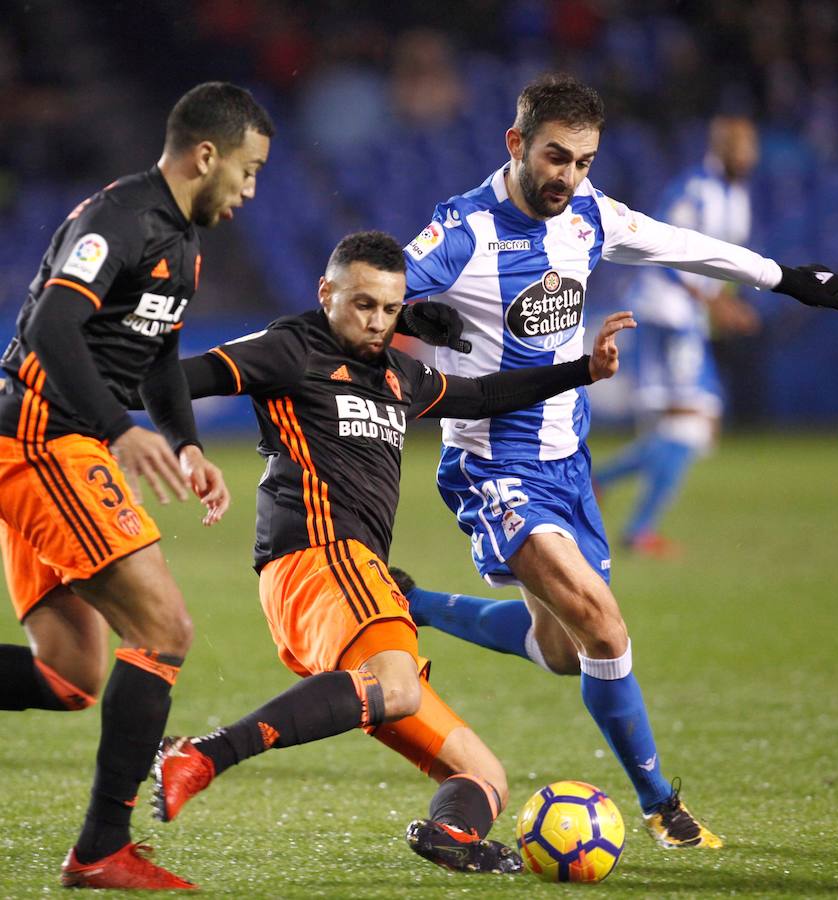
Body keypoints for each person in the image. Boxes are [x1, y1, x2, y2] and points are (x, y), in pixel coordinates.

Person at [398, 73, 838, 849]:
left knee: (562, 654)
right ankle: (661, 806)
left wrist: (783, 278)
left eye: (582, 161)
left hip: (566, 461)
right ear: (515, 145)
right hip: (492, 467)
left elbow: (680, 244)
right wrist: (412, 310)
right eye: (554, 157)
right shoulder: (462, 231)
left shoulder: (586, 215)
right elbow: (360, 293)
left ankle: (409, 605)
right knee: (605, 635)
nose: (568, 176)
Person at [150, 230, 636, 875]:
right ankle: (206, 754)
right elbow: (170, 379)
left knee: (483, 775)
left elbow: (484, 395)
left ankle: (451, 837)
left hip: (347, 580)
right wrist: (178, 441)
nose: (377, 322)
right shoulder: (292, 347)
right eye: (362, 305)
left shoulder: (398, 374)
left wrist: (583, 371)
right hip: (321, 556)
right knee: (399, 688)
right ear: (326, 293)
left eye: (389, 308)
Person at [0, 81, 274, 890]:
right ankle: (100, 850)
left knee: (69, 675)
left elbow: (154, 358)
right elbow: (52, 325)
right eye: (248, 171)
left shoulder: (181, 242)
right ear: (205, 155)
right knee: (163, 629)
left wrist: (185, 444)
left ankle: (99, 850)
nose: (251, 191)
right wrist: (121, 430)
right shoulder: (120, 217)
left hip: (56, 441)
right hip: (46, 439)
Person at [591, 115, 762, 556]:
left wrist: (724, 301)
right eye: (743, 148)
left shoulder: (736, 195)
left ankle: (605, 490)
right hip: (665, 315)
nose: (750, 156)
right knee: (693, 425)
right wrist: (716, 304)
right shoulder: (694, 192)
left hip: (687, 317)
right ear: (726, 150)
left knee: (692, 427)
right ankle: (632, 521)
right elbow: (664, 253)